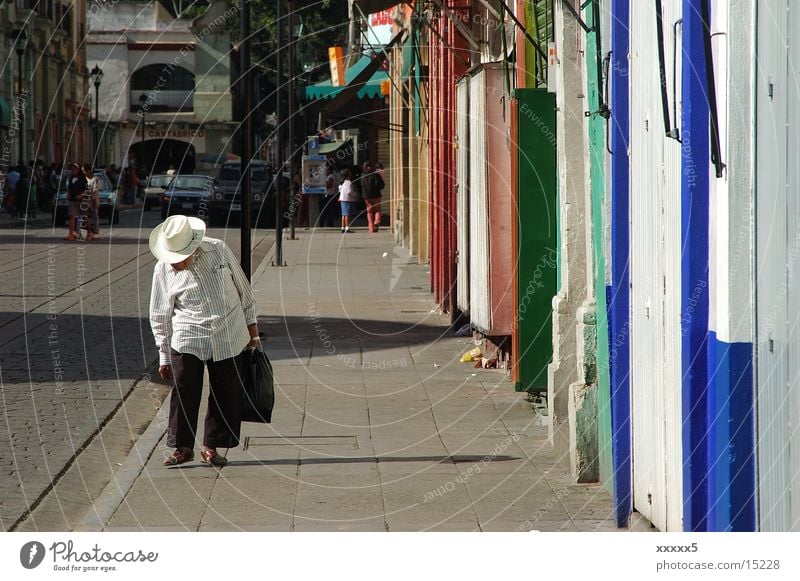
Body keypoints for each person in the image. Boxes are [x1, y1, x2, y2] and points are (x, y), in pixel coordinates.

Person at [149, 215, 261, 467]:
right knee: (184, 390)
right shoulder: (162, 269)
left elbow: (245, 292)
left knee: (225, 392)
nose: (175, 263)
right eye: (172, 258)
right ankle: (182, 447)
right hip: (188, 334)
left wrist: (253, 332)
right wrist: (164, 355)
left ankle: (210, 446)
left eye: (180, 258)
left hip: (228, 334)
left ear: (193, 247)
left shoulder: (218, 250)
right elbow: (159, 314)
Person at [64, 163, 87, 240]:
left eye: (74, 169)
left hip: (81, 200)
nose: (73, 171)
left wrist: (81, 194)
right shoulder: (70, 178)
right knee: (72, 216)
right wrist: (68, 194)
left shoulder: (83, 178)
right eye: (72, 169)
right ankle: (71, 234)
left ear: (78, 169)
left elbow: (87, 189)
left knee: (83, 216)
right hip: (72, 199)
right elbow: (69, 187)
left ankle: (85, 233)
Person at [360, 161, 385, 233]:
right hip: (376, 195)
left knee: (369, 212)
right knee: (377, 209)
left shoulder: (362, 175)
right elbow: (381, 185)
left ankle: (371, 228)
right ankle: (377, 221)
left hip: (367, 197)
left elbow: (361, 186)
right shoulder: (375, 175)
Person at [84, 164, 101, 240]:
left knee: (94, 216)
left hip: (93, 200)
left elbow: (95, 190)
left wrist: (93, 199)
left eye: (85, 171)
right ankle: (88, 232)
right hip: (85, 200)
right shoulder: (83, 179)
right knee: (86, 216)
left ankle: (96, 232)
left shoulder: (95, 179)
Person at [338, 168, 357, 233]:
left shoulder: (342, 182)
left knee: (343, 214)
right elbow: (349, 191)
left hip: (342, 199)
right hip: (347, 199)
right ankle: (347, 227)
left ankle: (342, 227)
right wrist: (355, 195)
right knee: (347, 214)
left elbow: (340, 190)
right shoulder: (348, 182)